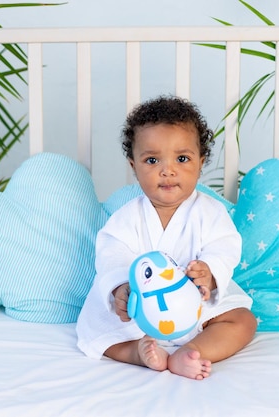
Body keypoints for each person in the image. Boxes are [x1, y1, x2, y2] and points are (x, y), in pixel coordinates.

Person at [75, 95, 257, 380]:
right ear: (134, 166)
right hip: (140, 313)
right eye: (152, 160)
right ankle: (137, 351)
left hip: (197, 307)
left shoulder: (210, 212)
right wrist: (120, 287)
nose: (167, 170)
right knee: (98, 326)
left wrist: (209, 273)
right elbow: (112, 254)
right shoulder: (126, 217)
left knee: (242, 321)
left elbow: (224, 247)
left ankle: (192, 351)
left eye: (182, 158)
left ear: (201, 162)